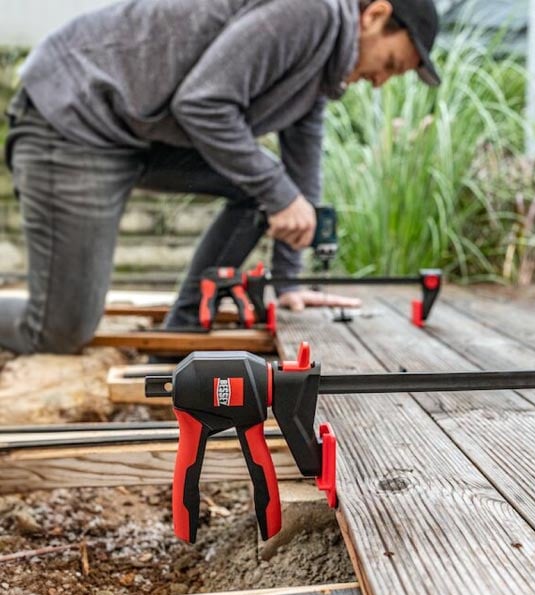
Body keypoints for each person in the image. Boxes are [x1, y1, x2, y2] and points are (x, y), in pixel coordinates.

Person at [0, 0, 440, 354]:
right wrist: (279, 193)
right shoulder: (311, 11)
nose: (381, 82)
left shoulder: (320, 76)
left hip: (134, 134)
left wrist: (289, 283)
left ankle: (177, 338)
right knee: (60, 331)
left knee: (265, 186)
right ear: (375, 15)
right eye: (393, 64)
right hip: (73, 119)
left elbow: (300, 179)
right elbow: (203, 102)